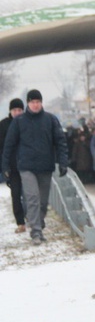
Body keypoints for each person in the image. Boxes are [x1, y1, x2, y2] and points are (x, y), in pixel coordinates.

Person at [2, 89, 69, 245]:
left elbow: (60, 142)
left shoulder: (50, 120)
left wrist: (63, 162)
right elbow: (9, 145)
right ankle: (36, 232)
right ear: (28, 103)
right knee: (32, 197)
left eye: (38, 102)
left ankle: (38, 223)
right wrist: (5, 166)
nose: (36, 105)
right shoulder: (19, 122)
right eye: (33, 102)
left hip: (45, 166)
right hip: (26, 166)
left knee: (43, 201)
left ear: (41, 103)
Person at [0, 98, 27, 233]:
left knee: (30, 194)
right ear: (10, 111)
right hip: (12, 166)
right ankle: (20, 222)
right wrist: (4, 167)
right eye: (14, 110)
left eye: (19, 110)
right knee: (16, 195)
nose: (17, 112)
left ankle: (31, 217)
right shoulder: (3, 125)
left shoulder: (28, 123)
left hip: (28, 164)